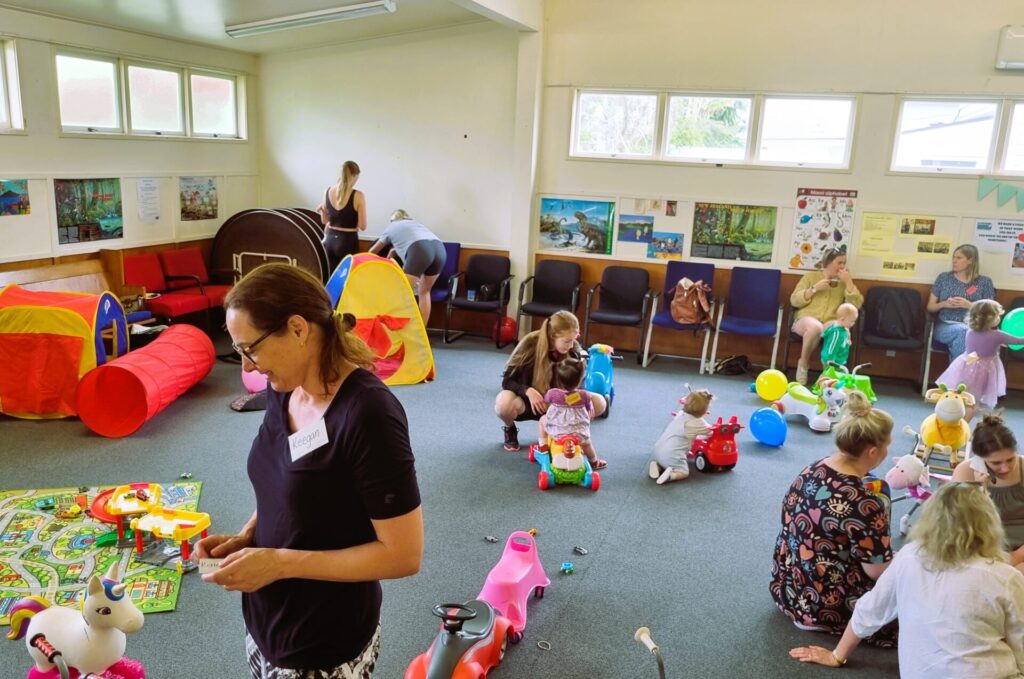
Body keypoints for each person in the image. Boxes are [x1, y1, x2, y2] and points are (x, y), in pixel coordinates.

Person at [197, 263, 423, 678]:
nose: (246, 367)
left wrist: (280, 562)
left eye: (252, 348)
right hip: (269, 619)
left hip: (322, 642)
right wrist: (249, 535)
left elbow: (404, 555)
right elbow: (283, 481)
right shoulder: (283, 388)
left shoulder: (369, 414)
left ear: (299, 329)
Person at [790, 482, 1024, 677]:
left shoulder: (908, 557)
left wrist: (836, 655)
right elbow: (1021, 643)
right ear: (990, 525)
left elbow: (869, 611)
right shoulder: (1005, 577)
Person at [769, 391, 896, 646]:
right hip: (827, 602)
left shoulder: (813, 468)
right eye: (887, 445)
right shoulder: (865, 503)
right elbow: (877, 572)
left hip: (789, 587)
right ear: (872, 451)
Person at [495, 310, 606, 452]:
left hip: (560, 406)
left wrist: (582, 400)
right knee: (503, 403)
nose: (571, 345)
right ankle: (510, 429)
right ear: (552, 336)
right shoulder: (529, 344)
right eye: (567, 341)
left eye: (574, 339)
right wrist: (528, 391)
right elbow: (507, 381)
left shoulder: (574, 350)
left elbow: (578, 385)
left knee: (600, 402)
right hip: (531, 404)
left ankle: (566, 432)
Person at [952, 413, 1024, 569]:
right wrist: (979, 489)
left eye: (1011, 459)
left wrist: (1017, 556)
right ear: (979, 459)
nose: (1005, 468)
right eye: (996, 463)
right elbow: (959, 524)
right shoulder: (965, 472)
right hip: (983, 544)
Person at [789, 249, 864, 385]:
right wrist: (814, 289)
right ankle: (803, 363)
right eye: (839, 262)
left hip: (829, 322)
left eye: (844, 263)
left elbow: (856, 306)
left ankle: (829, 372)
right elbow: (794, 300)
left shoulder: (843, 282)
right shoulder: (811, 277)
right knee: (815, 327)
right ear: (828, 262)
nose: (842, 266)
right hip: (805, 320)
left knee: (838, 329)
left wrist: (848, 283)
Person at [936, 300, 1024, 409]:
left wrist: (998, 342)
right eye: (997, 315)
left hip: (968, 361)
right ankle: (968, 413)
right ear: (991, 318)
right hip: (985, 366)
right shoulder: (998, 335)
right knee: (976, 396)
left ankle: (955, 408)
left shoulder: (970, 330)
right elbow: (1018, 341)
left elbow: (981, 345)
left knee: (964, 389)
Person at [368, 209, 446, 324]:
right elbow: (421, 240)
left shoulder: (391, 227)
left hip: (420, 250)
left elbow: (373, 251)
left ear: (392, 220)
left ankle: (397, 329)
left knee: (401, 292)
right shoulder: (415, 223)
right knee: (424, 292)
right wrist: (395, 250)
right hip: (440, 249)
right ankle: (421, 334)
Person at [927, 243, 996, 359]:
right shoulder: (944, 278)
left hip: (975, 326)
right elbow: (930, 307)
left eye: (959, 258)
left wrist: (970, 305)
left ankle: (961, 373)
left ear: (970, 260)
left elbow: (991, 311)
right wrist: (944, 304)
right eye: (953, 258)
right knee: (964, 332)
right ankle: (964, 374)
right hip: (945, 324)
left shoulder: (984, 282)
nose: (954, 261)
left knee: (969, 336)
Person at [538, 357, 607, 470]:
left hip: (558, 432)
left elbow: (545, 401)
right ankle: (594, 461)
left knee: (542, 421)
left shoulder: (553, 394)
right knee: (587, 443)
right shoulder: (584, 395)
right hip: (579, 434)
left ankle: (543, 447)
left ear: (558, 380)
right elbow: (589, 407)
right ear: (580, 380)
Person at [648, 387, 713, 485]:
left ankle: (657, 465)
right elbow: (710, 432)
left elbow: (692, 433)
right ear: (704, 411)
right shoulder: (697, 422)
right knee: (684, 472)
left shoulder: (680, 414)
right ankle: (671, 476)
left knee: (665, 459)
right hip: (671, 456)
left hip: (657, 450)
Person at [317, 160, 367, 276]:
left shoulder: (327, 191)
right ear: (354, 176)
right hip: (347, 241)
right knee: (346, 281)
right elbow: (362, 226)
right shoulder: (358, 195)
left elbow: (324, 221)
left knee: (330, 279)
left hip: (329, 240)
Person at [819, 302, 858, 370]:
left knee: (836, 378)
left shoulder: (844, 328)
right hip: (831, 361)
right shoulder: (836, 334)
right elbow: (831, 347)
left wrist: (848, 339)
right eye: (851, 321)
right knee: (828, 377)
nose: (853, 323)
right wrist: (830, 360)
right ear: (842, 319)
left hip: (839, 361)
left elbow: (847, 334)